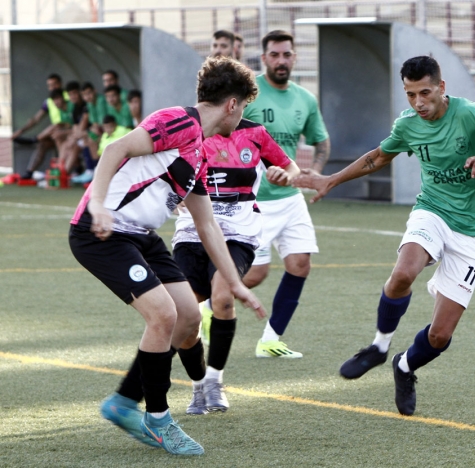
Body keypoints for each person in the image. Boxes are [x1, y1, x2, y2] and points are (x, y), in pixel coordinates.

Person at [294, 56, 475, 416]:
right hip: (432, 211)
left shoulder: (471, 115)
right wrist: (330, 179)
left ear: (441, 87)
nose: (419, 103)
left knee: (440, 337)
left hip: (474, 229)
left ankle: (404, 366)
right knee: (404, 272)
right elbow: (377, 157)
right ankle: (379, 346)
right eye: (410, 95)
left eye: (425, 93)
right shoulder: (408, 125)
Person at [68, 56, 264, 455]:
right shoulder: (178, 121)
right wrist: (99, 205)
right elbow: (115, 148)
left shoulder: (200, 152)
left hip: (141, 236)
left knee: (189, 317)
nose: (242, 116)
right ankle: (158, 419)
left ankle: (124, 401)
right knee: (163, 314)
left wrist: (237, 284)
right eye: (243, 107)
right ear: (232, 104)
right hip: (100, 233)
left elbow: (207, 227)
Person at [172, 118, 298, 414]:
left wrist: (285, 174)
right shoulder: (189, 131)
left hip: (238, 232)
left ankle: (215, 381)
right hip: (191, 233)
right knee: (187, 316)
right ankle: (198, 385)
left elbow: (290, 166)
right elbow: (162, 169)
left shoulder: (255, 133)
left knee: (223, 298)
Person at [241, 30, 331, 359]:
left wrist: (315, 170)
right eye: (275, 55)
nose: (282, 60)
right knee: (254, 274)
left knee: (299, 263)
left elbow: (321, 140)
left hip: (290, 198)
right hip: (253, 201)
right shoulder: (247, 92)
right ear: (264, 58)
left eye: (287, 55)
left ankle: (270, 339)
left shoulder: (305, 99)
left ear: (294, 58)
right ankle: (206, 306)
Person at [9, 74, 67, 181]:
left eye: (55, 84)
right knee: (43, 143)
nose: (52, 87)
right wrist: (20, 131)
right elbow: (36, 119)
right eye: (50, 85)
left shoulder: (68, 96)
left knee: (57, 128)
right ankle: (29, 172)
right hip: (55, 133)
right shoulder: (48, 101)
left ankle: (67, 172)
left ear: (60, 84)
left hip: (68, 131)